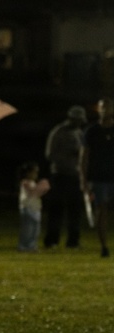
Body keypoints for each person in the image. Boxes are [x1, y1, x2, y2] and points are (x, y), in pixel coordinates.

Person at [43, 105, 87, 249]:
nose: (79, 123)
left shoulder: (80, 133)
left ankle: (73, 241)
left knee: (75, 211)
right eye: (78, 120)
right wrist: (69, 155)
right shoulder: (58, 132)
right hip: (60, 175)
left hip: (75, 176)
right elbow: (50, 154)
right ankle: (52, 240)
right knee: (56, 209)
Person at [80, 98, 114, 257]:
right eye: (103, 107)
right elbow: (84, 157)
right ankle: (104, 246)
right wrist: (83, 180)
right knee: (102, 211)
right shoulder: (91, 131)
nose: (105, 110)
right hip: (99, 178)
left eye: (108, 107)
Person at [18, 161, 50, 252]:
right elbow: (32, 192)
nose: (36, 174)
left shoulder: (33, 183)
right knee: (28, 228)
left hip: (35, 209)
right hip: (27, 209)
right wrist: (41, 186)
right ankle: (23, 246)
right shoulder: (25, 182)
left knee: (35, 230)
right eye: (34, 172)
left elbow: (37, 194)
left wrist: (44, 189)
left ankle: (31, 245)